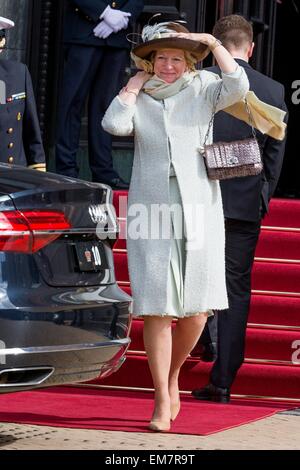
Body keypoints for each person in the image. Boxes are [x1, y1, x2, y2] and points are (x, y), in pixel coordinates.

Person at [102, 20, 250, 431]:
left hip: (199, 204)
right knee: (157, 307)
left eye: (177, 58)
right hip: (152, 207)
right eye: (161, 58)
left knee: (197, 311)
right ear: (149, 63)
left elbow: (238, 86)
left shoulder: (203, 87)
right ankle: (161, 397)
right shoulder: (141, 95)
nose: (169, 66)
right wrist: (132, 87)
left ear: (188, 62)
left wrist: (211, 43)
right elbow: (114, 126)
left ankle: (173, 374)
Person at [192, 15, 288, 403]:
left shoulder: (199, 84)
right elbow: (276, 154)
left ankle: (202, 345)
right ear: (249, 48)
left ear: (215, 47)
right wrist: (262, 196)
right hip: (244, 204)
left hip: (201, 198)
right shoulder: (274, 88)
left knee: (193, 280)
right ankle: (224, 379)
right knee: (235, 288)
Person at [55, 0, 144, 189]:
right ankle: (66, 171)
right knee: (71, 105)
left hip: (117, 37)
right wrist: (103, 12)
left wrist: (123, 16)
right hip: (84, 31)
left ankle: (104, 171)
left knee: (105, 107)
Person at [0, 16, 46, 169]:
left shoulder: (18, 73)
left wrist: (38, 171)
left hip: (12, 176)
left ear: (2, 43)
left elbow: (31, 127)